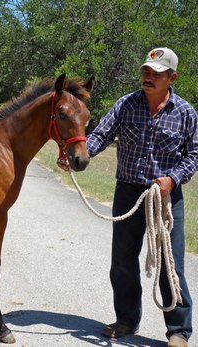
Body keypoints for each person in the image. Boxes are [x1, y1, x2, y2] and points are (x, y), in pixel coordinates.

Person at [59, 47, 197, 347]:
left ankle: (178, 331)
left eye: (156, 74)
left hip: (165, 196)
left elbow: (194, 154)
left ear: (171, 77)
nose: (148, 77)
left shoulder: (185, 112)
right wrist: (79, 155)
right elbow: (100, 135)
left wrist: (172, 179)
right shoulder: (126, 104)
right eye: (146, 71)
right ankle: (127, 320)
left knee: (170, 265)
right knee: (122, 261)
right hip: (128, 191)